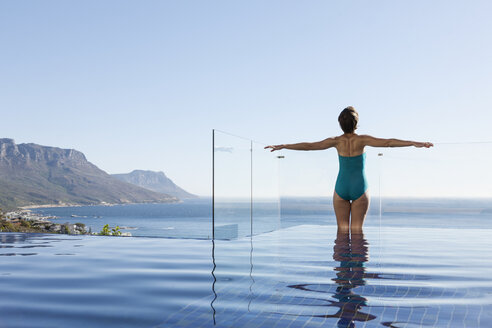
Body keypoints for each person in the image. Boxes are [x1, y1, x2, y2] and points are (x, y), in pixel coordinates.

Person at [264, 106, 433, 233]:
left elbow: (309, 146)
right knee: (357, 232)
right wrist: (413, 142)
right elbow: (388, 142)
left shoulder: (336, 141)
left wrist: (284, 146)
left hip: (341, 188)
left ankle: (343, 279)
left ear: (340, 124)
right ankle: (358, 277)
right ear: (356, 123)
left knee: (342, 232)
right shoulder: (363, 140)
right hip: (360, 188)